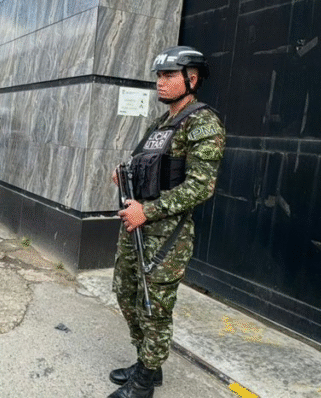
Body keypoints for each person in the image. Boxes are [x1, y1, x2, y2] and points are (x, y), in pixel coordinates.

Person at [108, 46, 225, 398]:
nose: (160, 82)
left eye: (169, 75)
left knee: (154, 307)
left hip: (166, 236)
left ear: (193, 79)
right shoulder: (160, 124)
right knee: (126, 294)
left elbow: (200, 187)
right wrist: (124, 174)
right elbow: (145, 164)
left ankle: (145, 383)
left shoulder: (203, 123)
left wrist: (149, 211)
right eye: (159, 75)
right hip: (136, 228)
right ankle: (147, 362)